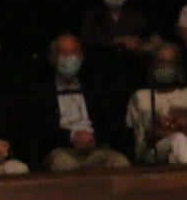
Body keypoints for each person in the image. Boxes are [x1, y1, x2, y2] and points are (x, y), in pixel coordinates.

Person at [39, 34, 132, 172]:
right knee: (65, 165)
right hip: (63, 149)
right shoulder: (43, 90)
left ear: (81, 57)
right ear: (52, 58)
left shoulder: (95, 86)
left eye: (73, 52)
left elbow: (111, 121)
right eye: (63, 53)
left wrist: (92, 137)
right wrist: (71, 137)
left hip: (95, 147)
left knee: (121, 163)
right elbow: (42, 128)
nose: (69, 58)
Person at [125, 42, 187, 165]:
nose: (166, 67)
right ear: (153, 65)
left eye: (170, 63)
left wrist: (183, 127)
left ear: (177, 67)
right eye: (161, 62)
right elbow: (141, 138)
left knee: (176, 154)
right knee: (179, 139)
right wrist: (169, 129)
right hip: (152, 154)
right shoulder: (140, 97)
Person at [80, 0, 160, 55]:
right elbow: (87, 41)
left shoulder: (135, 14)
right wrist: (118, 41)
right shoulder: (93, 15)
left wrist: (139, 41)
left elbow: (148, 34)